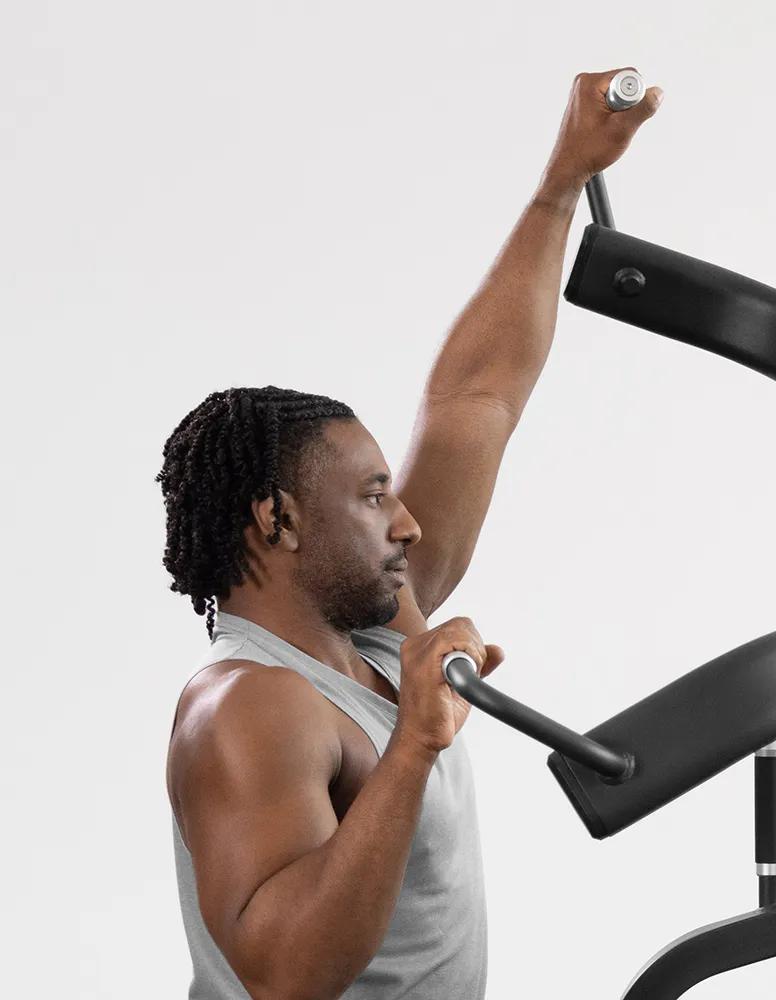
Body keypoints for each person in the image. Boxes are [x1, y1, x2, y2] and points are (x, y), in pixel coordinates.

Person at [159, 68, 663, 1000]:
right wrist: (415, 745)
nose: (408, 522)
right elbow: (285, 977)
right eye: (372, 497)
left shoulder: (377, 633)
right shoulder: (246, 708)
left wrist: (561, 185)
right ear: (278, 519)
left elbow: (478, 396)